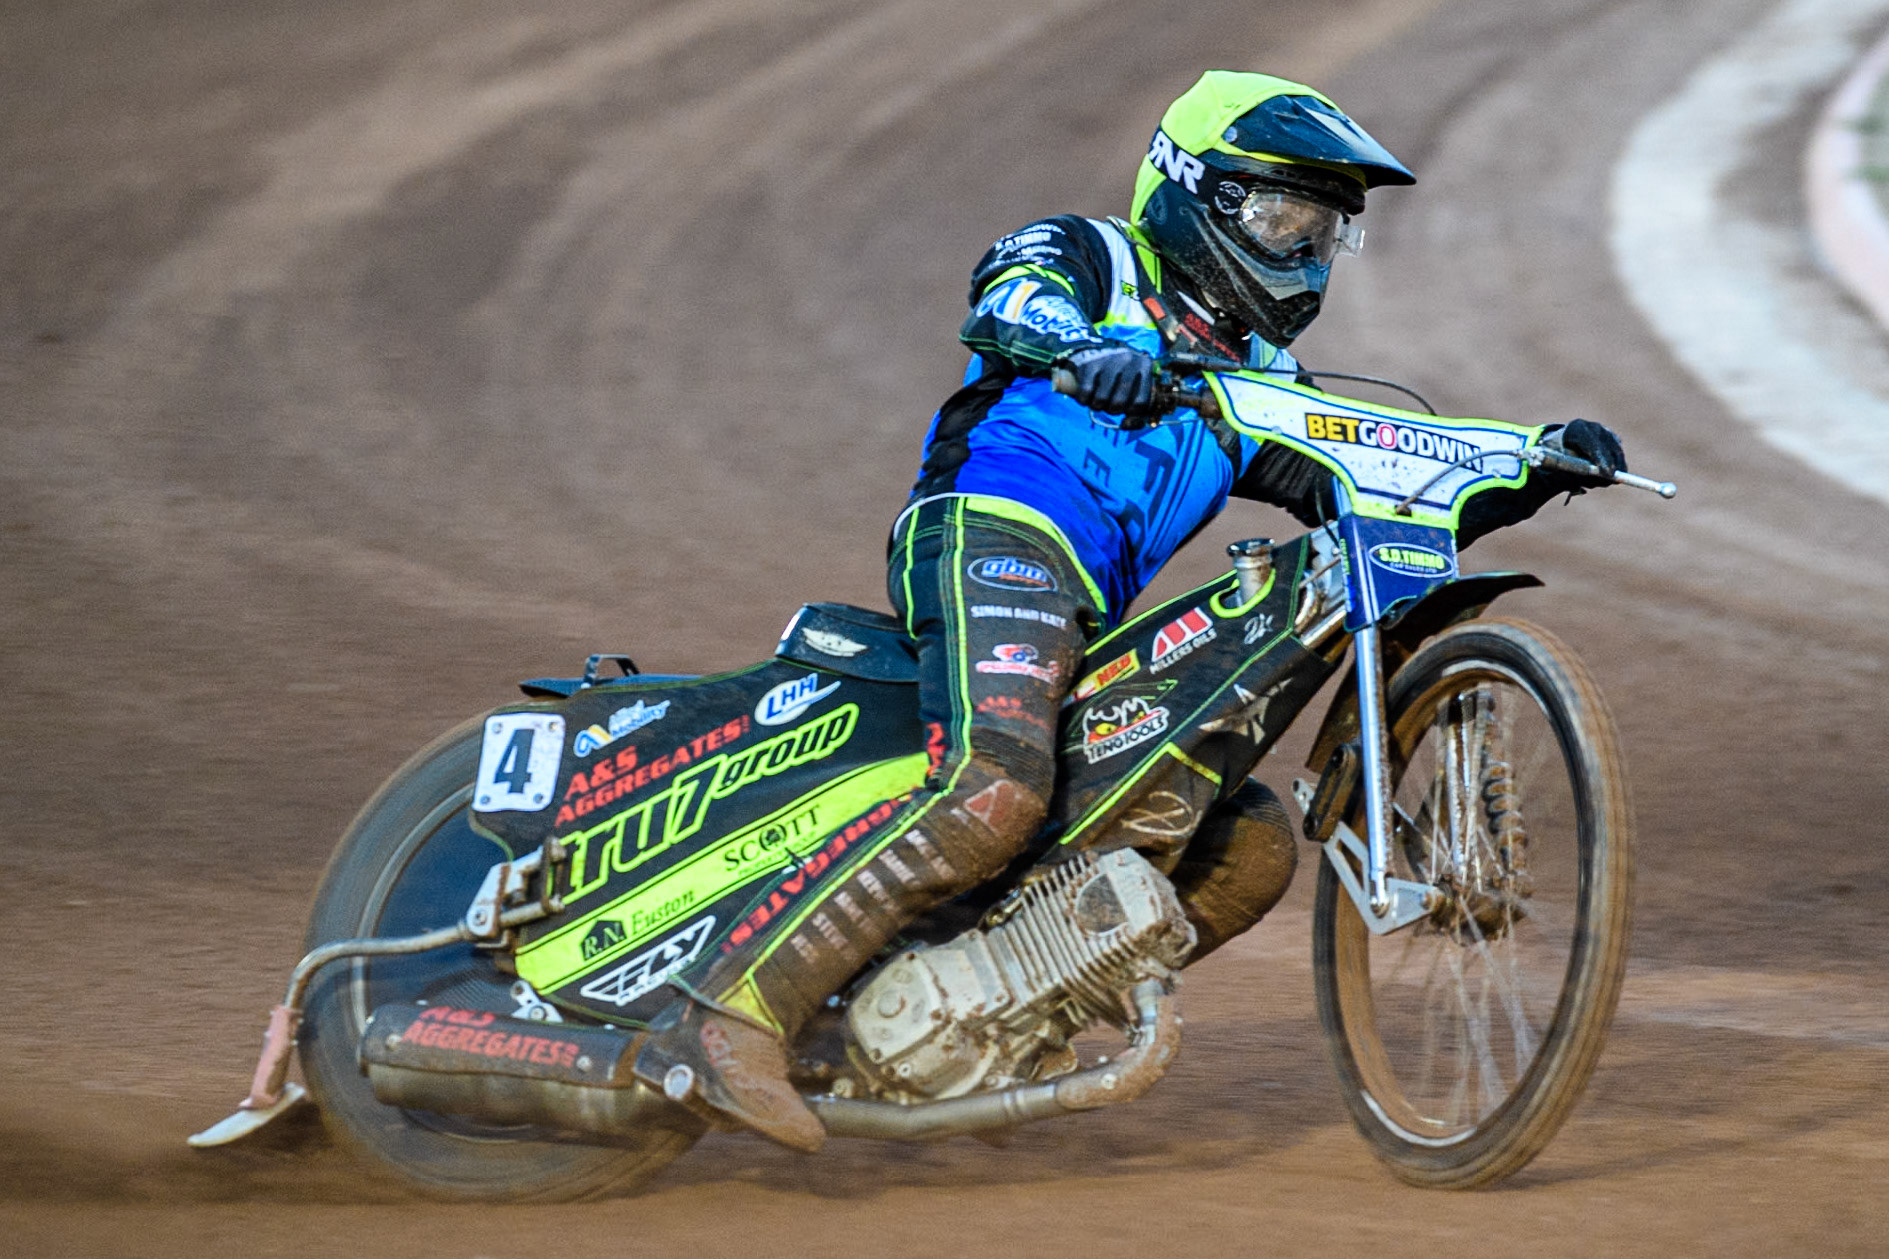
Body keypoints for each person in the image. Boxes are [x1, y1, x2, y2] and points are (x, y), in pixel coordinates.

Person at [637, 70, 1627, 1151]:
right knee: (996, 784)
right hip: (988, 533)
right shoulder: (1092, 256)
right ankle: (720, 1013)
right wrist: (1082, 353)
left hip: (1084, 610)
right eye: (1277, 215)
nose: (1298, 252)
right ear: (1189, 192)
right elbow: (1008, 303)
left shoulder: (1258, 376)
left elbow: (1359, 482)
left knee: (1243, 846)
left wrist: (1525, 468)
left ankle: (986, 1016)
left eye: (1320, 230)